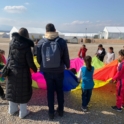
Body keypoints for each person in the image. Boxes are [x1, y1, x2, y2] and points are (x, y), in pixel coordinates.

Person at [37, 23, 70, 119]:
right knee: (60, 90)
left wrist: (43, 65)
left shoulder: (41, 42)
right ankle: (60, 111)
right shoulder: (62, 41)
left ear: (46, 31)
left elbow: (39, 58)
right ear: (55, 30)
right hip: (59, 71)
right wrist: (67, 66)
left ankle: (51, 112)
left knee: (50, 91)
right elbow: (66, 57)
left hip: (47, 71)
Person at [6, 28, 37, 119]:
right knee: (23, 91)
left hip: (11, 70)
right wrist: (35, 69)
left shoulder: (11, 42)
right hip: (23, 72)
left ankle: (12, 110)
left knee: (12, 90)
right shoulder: (27, 45)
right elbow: (30, 62)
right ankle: (22, 113)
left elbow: (9, 57)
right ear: (26, 35)